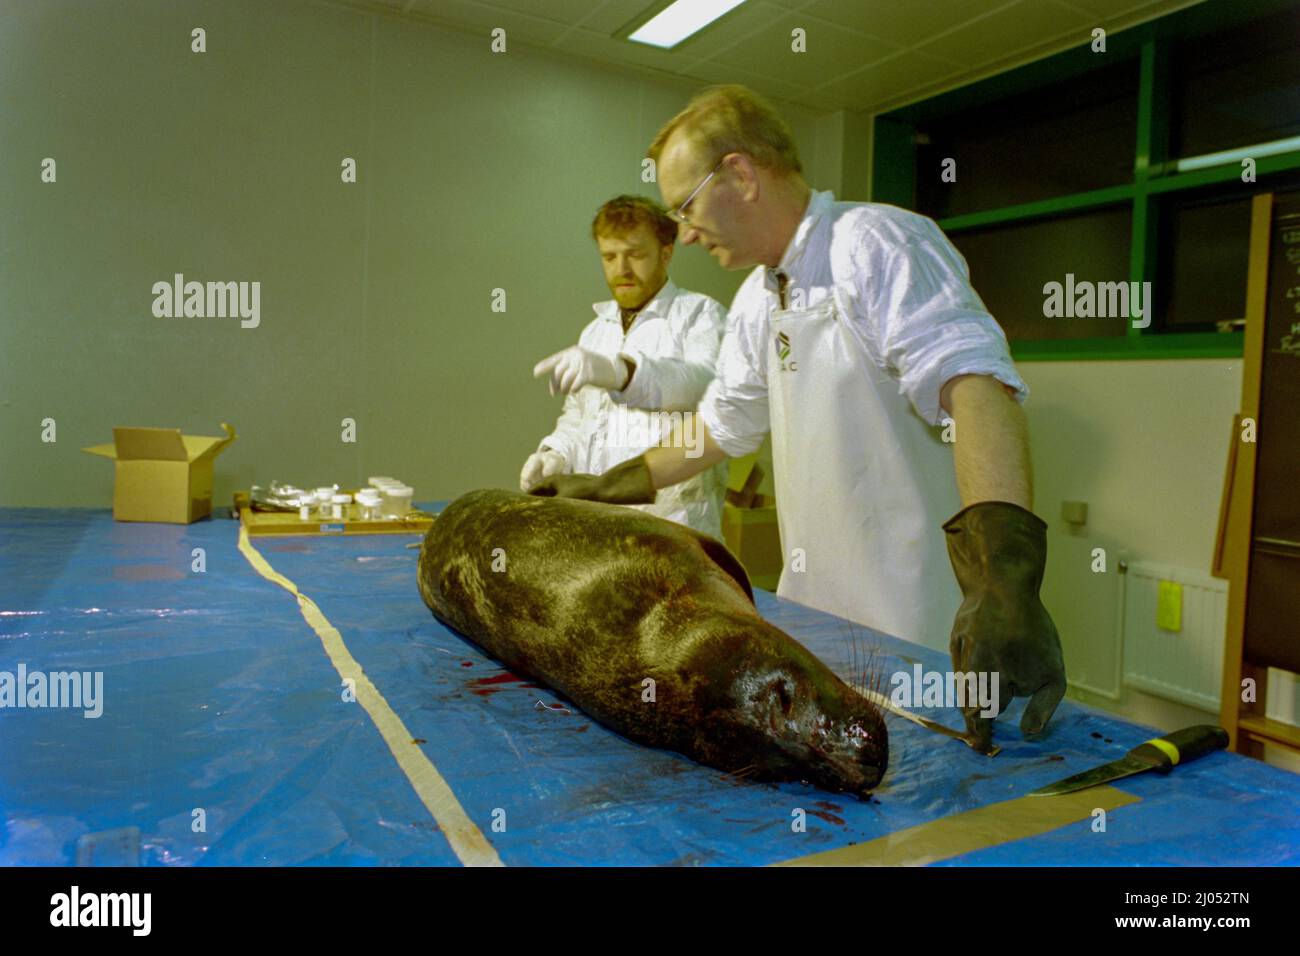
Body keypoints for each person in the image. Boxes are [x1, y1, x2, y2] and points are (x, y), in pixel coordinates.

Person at [530, 87, 1065, 752]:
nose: (687, 233)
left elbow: (978, 389)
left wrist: (1005, 581)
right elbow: (719, 429)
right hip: (813, 623)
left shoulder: (877, 244)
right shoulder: (759, 297)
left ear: (741, 175)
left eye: (686, 206)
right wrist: (602, 486)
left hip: (915, 629)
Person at [523, 195, 730, 539]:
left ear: (666, 253)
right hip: (598, 525)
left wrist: (622, 372)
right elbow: (580, 417)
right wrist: (555, 453)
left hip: (675, 529)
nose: (622, 270)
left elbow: (703, 387)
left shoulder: (701, 315)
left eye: (635, 255)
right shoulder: (596, 330)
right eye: (609, 257)